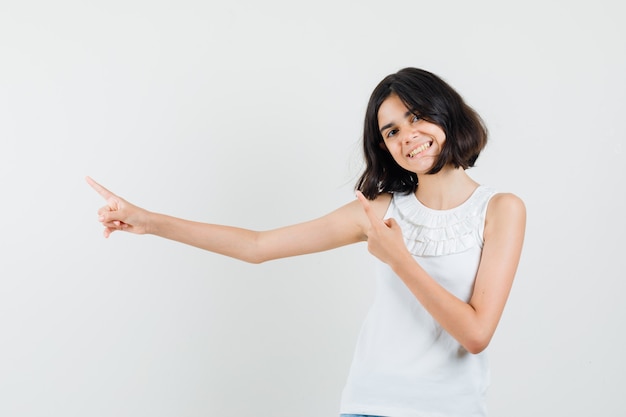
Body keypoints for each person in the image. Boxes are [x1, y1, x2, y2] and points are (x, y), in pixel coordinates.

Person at [87, 67, 526, 417]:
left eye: (415, 116)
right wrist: (148, 221)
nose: (406, 135)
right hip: (370, 406)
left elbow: (475, 334)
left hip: (453, 410)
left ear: (445, 112)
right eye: (390, 131)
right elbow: (257, 246)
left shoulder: (500, 209)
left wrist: (400, 260)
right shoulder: (378, 212)